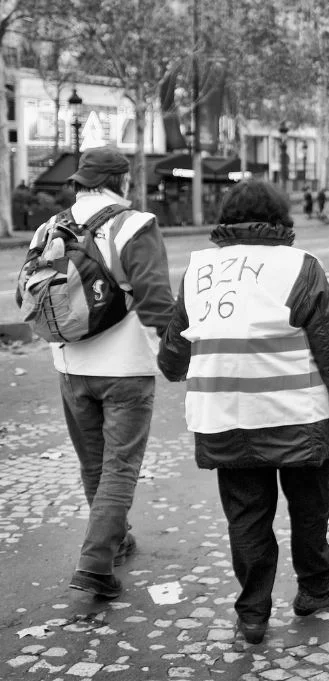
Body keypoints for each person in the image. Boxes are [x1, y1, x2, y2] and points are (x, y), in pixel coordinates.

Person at [157, 180, 329, 644]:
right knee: (309, 508)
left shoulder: (198, 268)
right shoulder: (301, 266)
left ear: (225, 221)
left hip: (225, 417)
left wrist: (177, 366)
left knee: (246, 517)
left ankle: (252, 614)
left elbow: (173, 354)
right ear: (281, 220)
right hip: (299, 415)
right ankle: (316, 589)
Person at [19, 147, 174, 599]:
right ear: (122, 182)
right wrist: (177, 356)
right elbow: (156, 303)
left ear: (80, 183)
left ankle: (116, 540)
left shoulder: (49, 227)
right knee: (119, 467)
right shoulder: (135, 225)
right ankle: (94, 564)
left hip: (69, 366)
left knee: (94, 464)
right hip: (125, 370)